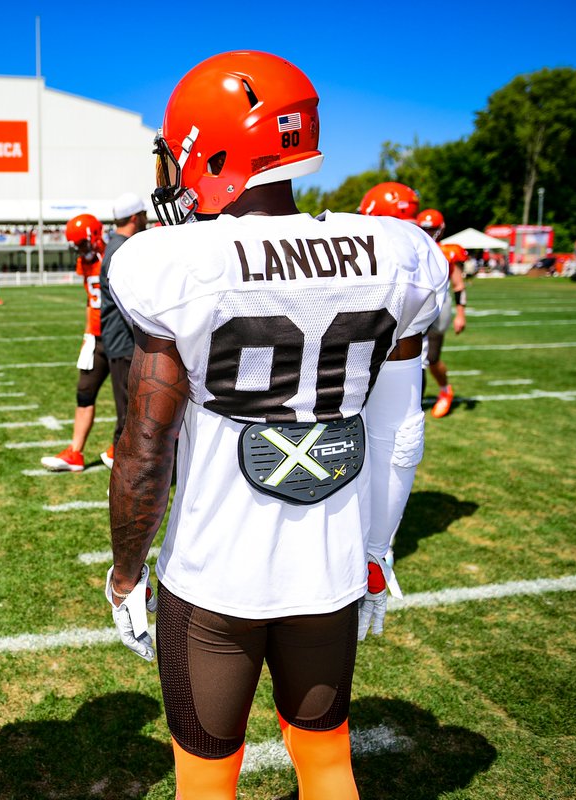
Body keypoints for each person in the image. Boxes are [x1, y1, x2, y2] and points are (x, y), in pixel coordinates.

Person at [105, 51, 445, 799]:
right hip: (329, 572)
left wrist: (127, 572)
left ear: (210, 152)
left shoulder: (175, 262)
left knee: (205, 783)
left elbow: (145, 447)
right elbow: (399, 436)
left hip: (214, 576)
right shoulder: (400, 254)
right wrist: (376, 551)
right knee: (326, 764)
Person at [41, 213, 108, 472]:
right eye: (76, 245)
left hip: (120, 337)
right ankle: (75, 453)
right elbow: (89, 301)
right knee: (84, 391)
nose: (80, 249)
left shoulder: (113, 256)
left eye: (82, 243)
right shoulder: (85, 262)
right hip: (96, 337)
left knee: (127, 398)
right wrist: (87, 333)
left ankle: (122, 450)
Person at [96, 193, 149, 469]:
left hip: (120, 339)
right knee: (130, 415)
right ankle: (122, 478)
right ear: (135, 217)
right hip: (125, 341)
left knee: (131, 412)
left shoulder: (116, 246)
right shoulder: (123, 250)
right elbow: (132, 304)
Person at [409, 208, 467, 418]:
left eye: (432, 228)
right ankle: (412, 404)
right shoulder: (412, 247)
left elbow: (458, 286)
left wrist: (461, 314)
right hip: (416, 307)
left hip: (439, 308)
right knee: (411, 357)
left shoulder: (448, 251)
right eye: (425, 228)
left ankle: (445, 390)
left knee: (431, 358)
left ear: (441, 228)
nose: (429, 232)